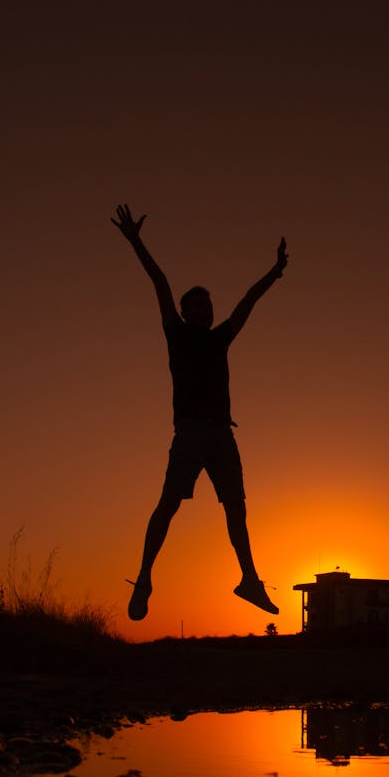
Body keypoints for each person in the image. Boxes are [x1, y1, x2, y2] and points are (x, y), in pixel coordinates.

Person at [111, 204, 287, 621]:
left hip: (222, 436)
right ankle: (145, 579)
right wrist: (137, 241)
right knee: (168, 505)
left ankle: (249, 580)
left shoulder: (220, 338)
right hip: (190, 435)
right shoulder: (175, 334)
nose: (207, 312)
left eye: (209, 307)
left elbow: (247, 302)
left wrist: (275, 272)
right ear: (186, 312)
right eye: (199, 307)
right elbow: (159, 280)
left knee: (236, 508)